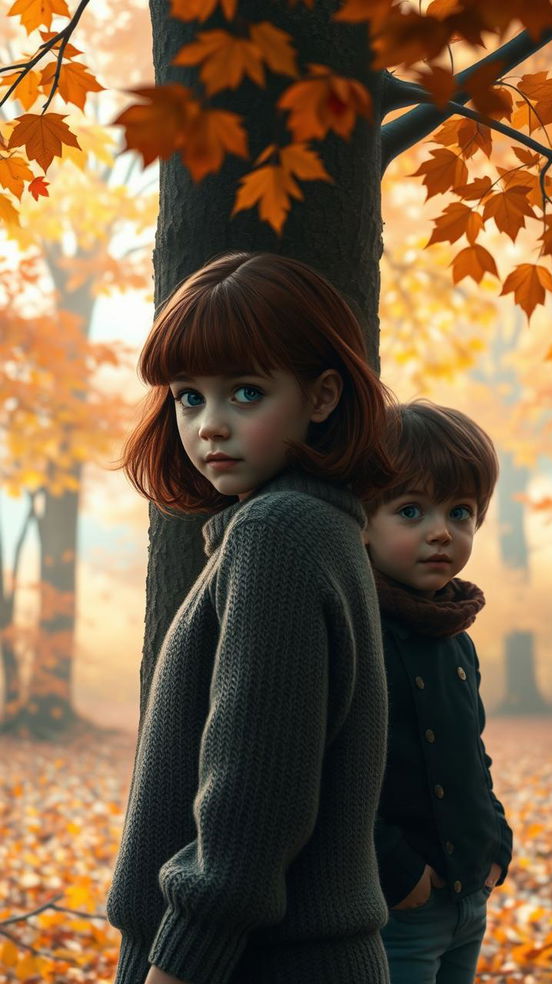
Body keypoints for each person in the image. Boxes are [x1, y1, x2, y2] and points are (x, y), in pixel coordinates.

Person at [106, 252, 395, 984]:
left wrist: (179, 966)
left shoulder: (279, 536)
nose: (209, 427)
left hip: (249, 967)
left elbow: (252, 803)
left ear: (322, 396)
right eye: (187, 398)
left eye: (244, 392)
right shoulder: (322, 530)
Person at [363, 400, 513, 984]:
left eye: (461, 512)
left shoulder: (455, 637)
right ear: (364, 521)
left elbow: (471, 751)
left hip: (469, 895)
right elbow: (333, 770)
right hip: (399, 909)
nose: (440, 532)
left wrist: (495, 838)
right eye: (410, 511)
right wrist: (397, 870)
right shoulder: (358, 629)